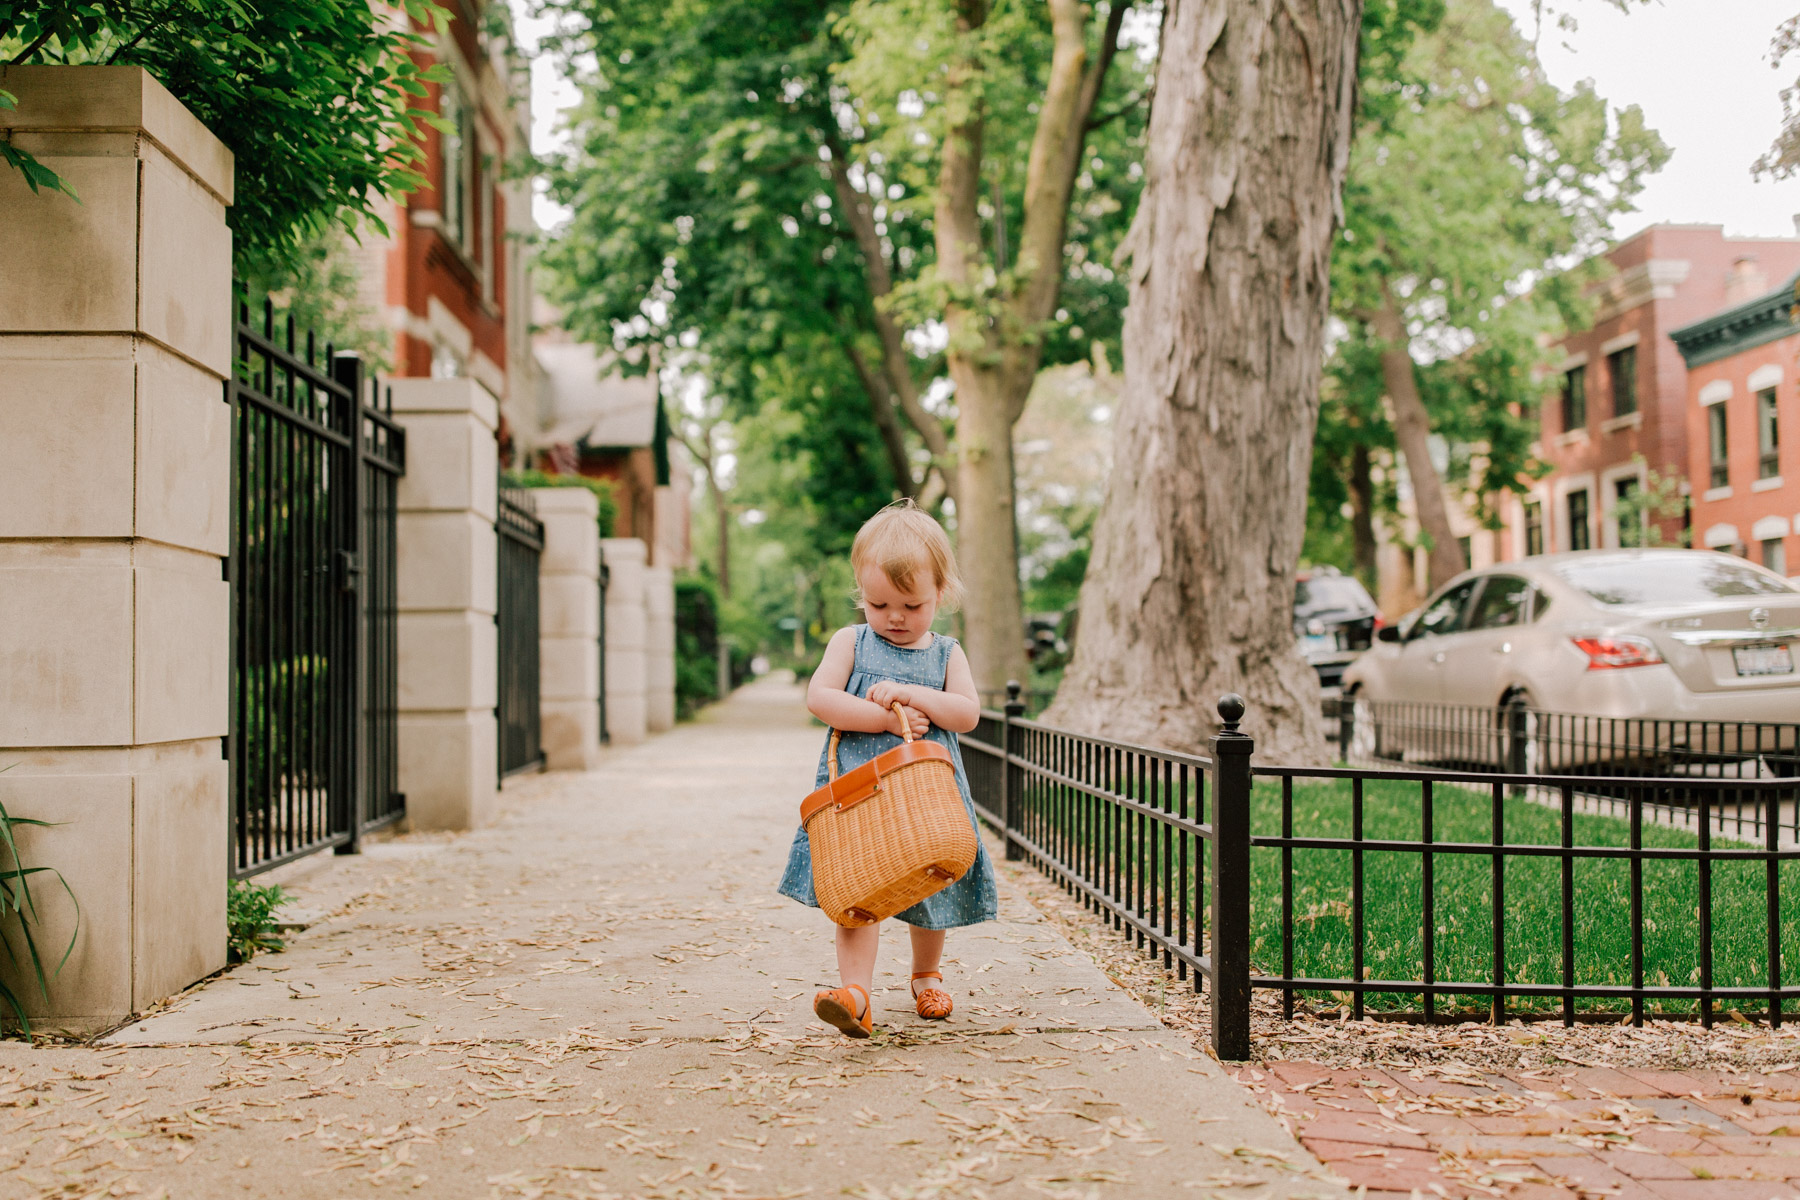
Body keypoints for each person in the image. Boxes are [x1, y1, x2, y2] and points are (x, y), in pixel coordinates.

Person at [776, 500, 998, 1038]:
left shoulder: (946, 654)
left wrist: (913, 693)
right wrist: (883, 718)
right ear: (861, 593)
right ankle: (856, 993)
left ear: (939, 595)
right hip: (859, 792)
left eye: (910, 604)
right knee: (858, 888)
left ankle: (926, 976)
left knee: (932, 885)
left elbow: (966, 713)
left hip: (924, 795)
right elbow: (820, 698)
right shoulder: (850, 642)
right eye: (878, 603)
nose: (894, 617)